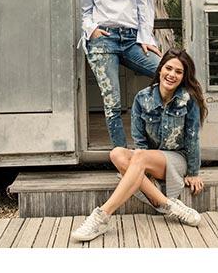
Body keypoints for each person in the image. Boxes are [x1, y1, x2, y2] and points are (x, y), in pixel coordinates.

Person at [72, 50, 207, 242]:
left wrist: (193, 172)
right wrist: (145, 171)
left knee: (139, 156)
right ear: (160, 69)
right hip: (149, 159)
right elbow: (140, 142)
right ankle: (168, 205)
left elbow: (192, 138)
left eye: (178, 72)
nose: (172, 74)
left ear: (184, 76)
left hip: (177, 158)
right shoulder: (142, 98)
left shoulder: (188, 99)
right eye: (168, 68)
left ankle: (102, 216)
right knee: (117, 154)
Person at [76, 0, 162, 151]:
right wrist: (92, 30)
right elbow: (85, 11)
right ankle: (122, 157)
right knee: (112, 103)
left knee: (165, 72)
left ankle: (155, 140)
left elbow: (145, 3)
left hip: (132, 39)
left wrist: (146, 37)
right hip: (103, 40)